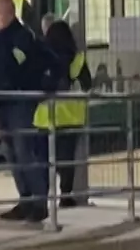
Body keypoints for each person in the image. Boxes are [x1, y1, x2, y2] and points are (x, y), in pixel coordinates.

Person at [0, 0, 58, 222]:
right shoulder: (2, 37)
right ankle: (25, 199)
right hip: (4, 101)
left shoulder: (21, 36)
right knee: (12, 153)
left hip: (20, 101)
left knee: (24, 151)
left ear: (8, 14)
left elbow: (13, 64)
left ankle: (38, 202)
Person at [34, 20, 95, 207]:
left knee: (42, 159)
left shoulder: (42, 56)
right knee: (67, 159)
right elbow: (87, 85)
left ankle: (41, 196)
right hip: (71, 116)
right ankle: (65, 195)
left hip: (45, 116)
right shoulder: (78, 59)